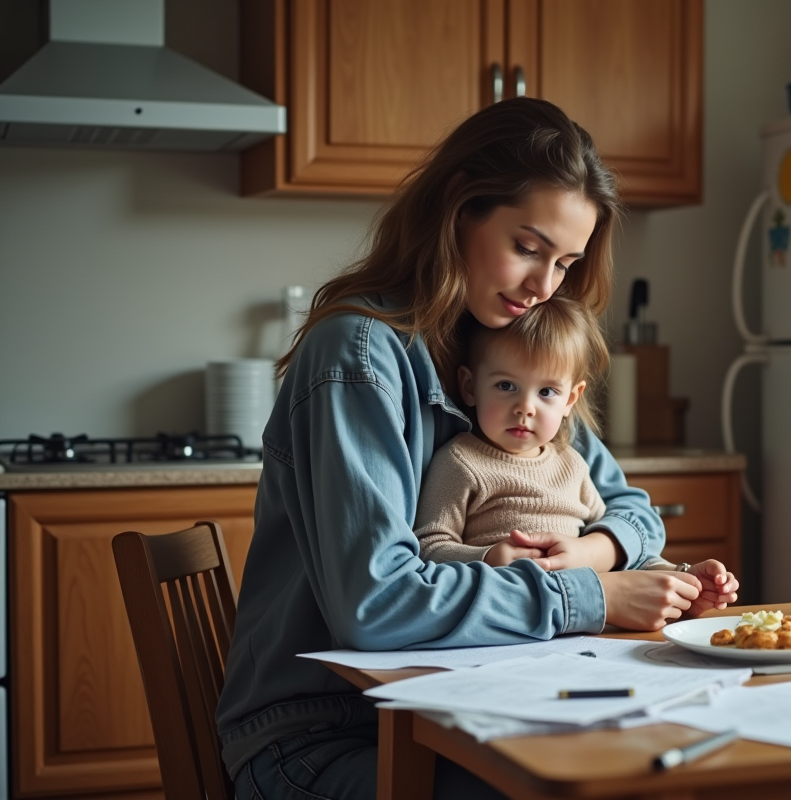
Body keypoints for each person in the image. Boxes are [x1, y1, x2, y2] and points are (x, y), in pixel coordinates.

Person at [215, 97, 733, 800]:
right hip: (324, 734)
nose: (544, 287)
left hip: (464, 700)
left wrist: (595, 553)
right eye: (527, 247)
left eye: (565, 263)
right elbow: (378, 607)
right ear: (458, 212)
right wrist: (590, 597)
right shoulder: (361, 354)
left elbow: (633, 511)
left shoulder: (513, 358)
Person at [415, 296, 739, 608]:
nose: (525, 408)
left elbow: (611, 547)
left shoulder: (572, 464)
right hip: (514, 613)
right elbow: (428, 548)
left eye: (546, 392)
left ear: (570, 399)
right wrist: (486, 557)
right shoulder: (459, 463)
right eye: (506, 386)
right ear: (470, 387)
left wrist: (673, 574)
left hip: (586, 618)